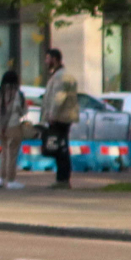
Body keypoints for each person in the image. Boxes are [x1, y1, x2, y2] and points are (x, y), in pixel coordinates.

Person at [39, 47, 79, 189]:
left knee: (60, 148)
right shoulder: (58, 75)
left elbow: (58, 98)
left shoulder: (61, 77)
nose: (46, 61)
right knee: (60, 147)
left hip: (60, 118)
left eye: (48, 58)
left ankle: (62, 179)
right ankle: (62, 178)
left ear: (55, 59)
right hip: (61, 117)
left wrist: (52, 115)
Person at [0, 64, 26, 190]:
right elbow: (22, 111)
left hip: (0, 126)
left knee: (3, 153)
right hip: (13, 126)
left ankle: (0, 179)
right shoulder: (17, 94)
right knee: (12, 154)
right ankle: (11, 180)